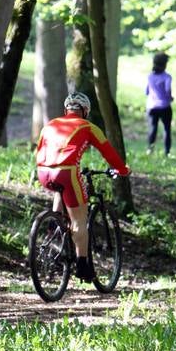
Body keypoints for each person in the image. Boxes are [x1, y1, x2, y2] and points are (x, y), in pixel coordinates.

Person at [36, 92, 130, 282]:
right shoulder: (88, 126)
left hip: (43, 172)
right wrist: (122, 169)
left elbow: (39, 149)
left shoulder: (50, 125)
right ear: (85, 111)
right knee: (79, 219)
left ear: (66, 110)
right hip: (67, 172)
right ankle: (82, 266)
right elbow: (108, 152)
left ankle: (55, 229)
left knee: (59, 190)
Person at [146, 52, 173, 155]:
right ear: (165, 64)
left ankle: (150, 149)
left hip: (151, 106)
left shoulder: (150, 76)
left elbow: (147, 91)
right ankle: (167, 151)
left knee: (152, 128)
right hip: (165, 106)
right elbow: (167, 90)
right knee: (166, 129)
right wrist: (170, 98)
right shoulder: (167, 77)